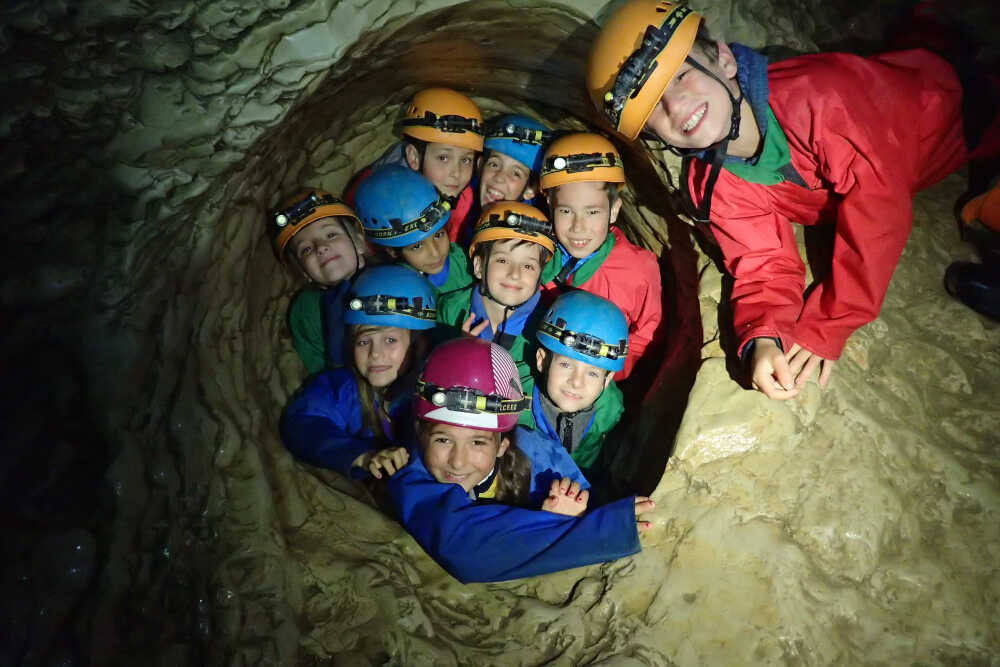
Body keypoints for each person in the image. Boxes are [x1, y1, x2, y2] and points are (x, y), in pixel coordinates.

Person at [586, 0, 998, 399]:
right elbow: (762, 263)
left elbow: (879, 209)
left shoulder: (823, 100)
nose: (676, 107)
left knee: (946, 73)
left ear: (725, 60)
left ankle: (936, 27)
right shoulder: (713, 181)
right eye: (653, 106)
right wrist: (763, 336)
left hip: (951, 110)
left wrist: (827, 325)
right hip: (894, 100)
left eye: (680, 76)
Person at [388, 337, 655, 583]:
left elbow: (587, 500)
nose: (458, 462)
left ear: (503, 445)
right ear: (420, 435)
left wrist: (580, 514)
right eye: (443, 440)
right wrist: (564, 525)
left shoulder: (542, 460)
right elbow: (464, 549)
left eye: (478, 442)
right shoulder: (411, 476)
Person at [280, 265, 436, 479]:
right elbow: (302, 423)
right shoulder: (342, 388)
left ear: (417, 344)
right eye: (363, 341)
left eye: (390, 340)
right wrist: (362, 456)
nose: (375, 353)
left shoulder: (435, 389)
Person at [539, 132, 663, 380]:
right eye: (565, 211)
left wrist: (607, 377)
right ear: (550, 206)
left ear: (614, 210)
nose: (578, 226)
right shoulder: (537, 253)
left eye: (593, 212)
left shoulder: (638, 269)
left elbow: (647, 335)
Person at [436, 201, 555, 405]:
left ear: (540, 275)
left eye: (528, 265)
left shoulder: (545, 331)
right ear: (479, 265)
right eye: (502, 260)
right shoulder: (448, 312)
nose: (515, 274)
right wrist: (456, 355)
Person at [345, 87, 483, 242]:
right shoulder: (374, 200)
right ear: (414, 157)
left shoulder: (462, 198)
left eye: (466, 160)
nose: (456, 173)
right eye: (443, 158)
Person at [270, 190, 367, 374]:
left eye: (331, 235)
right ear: (303, 272)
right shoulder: (307, 311)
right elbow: (323, 376)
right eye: (306, 249)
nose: (320, 248)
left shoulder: (396, 276)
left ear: (358, 242)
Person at [533, 290, 628, 475]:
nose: (576, 382)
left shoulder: (608, 409)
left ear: (607, 380)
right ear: (542, 361)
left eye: (592, 373)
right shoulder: (516, 403)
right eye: (566, 364)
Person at [353, 165, 474, 297]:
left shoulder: (461, 257)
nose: (435, 253)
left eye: (439, 234)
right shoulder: (400, 291)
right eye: (417, 246)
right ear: (392, 251)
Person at [467, 114, 552, 243]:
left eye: (516, 173)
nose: (499, 177)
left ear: (531, 189)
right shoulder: (462, 204)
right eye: (494, 164)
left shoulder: (527, 241)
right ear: (480, 166)